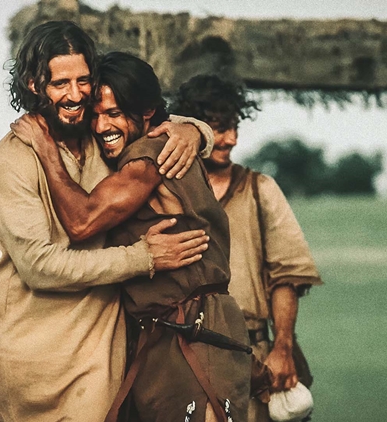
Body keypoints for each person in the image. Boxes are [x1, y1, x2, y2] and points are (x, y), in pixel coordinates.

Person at [0, 21, 216, 421]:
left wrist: (193, 130)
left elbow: (143, 117)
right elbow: (40, 266)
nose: (75, 96)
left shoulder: (100, 136)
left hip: (101, 355)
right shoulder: (11, 159)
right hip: (34, 358)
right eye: (60, 83)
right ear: (33, 85)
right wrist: (141, 258)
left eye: (84, 81)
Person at [22, 51, 252, 422]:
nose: (100, 127)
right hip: (169, 334)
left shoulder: (149, 158)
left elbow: (82, 222)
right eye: (95, 115)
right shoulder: (149, 146)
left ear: (147, 113)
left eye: (114, 114)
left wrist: (46, 149)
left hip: (194, 334)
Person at [170, 74, 323, 422]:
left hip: (251, 354)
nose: (232, 139)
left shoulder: (260, 189)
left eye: (235, 127)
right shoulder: (166, 190)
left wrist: (282, 347)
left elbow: (287, 276)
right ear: (195, 130)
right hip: (179, 353)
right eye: (219, 128)